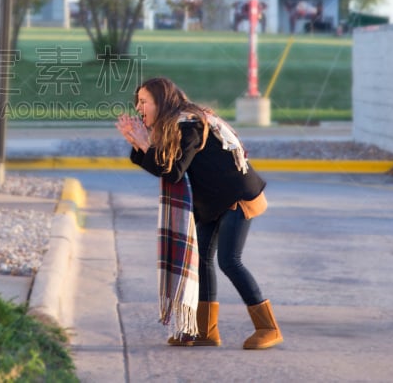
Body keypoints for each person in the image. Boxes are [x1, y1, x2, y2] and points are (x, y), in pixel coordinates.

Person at [115, 76, 283, 350]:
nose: (138, 107)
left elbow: (173, 170)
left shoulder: (190, 125)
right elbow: (165, 166)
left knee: (230, 261)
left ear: (162, 102)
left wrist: (145, 144)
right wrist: (140, 144)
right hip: (214, 203)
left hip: (237, 198)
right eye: (138, 102)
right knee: (202, 259)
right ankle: (206, 331)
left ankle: (268, 327)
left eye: (144, 101)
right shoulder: (176, 124)